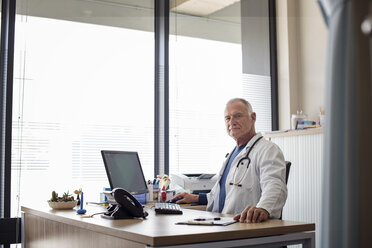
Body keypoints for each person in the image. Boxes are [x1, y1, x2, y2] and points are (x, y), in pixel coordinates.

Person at [171, 98, 287, 223]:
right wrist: (195, 198)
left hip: (245, 226)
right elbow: (221, 195)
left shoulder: (268, 149)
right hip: (222, 222)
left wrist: (263, 208)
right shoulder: (234, 153)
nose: (232, 122)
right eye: (228, 118)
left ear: (253, 117)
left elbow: (275, 185)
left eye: (237, 116)